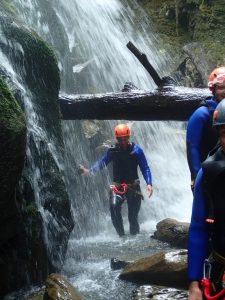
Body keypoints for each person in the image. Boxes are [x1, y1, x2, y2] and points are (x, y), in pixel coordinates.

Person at [79, 123, 153, 237]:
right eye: (120, 139)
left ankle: (134, 238)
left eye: (125, 139)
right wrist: (90, 171)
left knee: (132, 216)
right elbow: (102, 162)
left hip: (133, 186)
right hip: (117, 186)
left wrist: (149, 183)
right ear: (117, 139)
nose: (123, 142)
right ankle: (122, 237)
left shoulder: (137, 151)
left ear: (128, 137)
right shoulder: (113, 151)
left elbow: (145, 168)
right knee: (114, 208)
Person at [188, 98, 225, 299]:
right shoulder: (208, 174)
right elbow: (198, 228)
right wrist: (194, 283)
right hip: (220, 267)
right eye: (224, 133)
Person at [186, 66, 225, 191]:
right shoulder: (201, 114)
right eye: (221, 87)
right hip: (207, 177)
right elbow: (192, 148)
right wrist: (198, 179)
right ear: (212, 89)